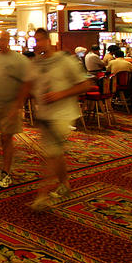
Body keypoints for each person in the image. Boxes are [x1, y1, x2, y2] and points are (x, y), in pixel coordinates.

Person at [28, 28, 92, 211]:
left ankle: (42, 195)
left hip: (63, 114)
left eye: (40, 40)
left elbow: (86, 84)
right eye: (35, 40)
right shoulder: (37, 63)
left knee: (51, 154)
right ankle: (65, 183)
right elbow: (29, 85)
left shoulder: (66, 61)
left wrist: (61, 94)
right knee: (55, 153)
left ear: (49, 41)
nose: (37, 44)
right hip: (46, 114)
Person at [0, 31, 33, 189]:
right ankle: (7, 159)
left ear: (9, 41)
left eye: (4, 39)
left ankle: (6, 173)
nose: (1, 42)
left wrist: (18, 105)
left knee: (6, 137)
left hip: (10, 104)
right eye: (0, 39)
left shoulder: (19, 60)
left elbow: (27, 83)